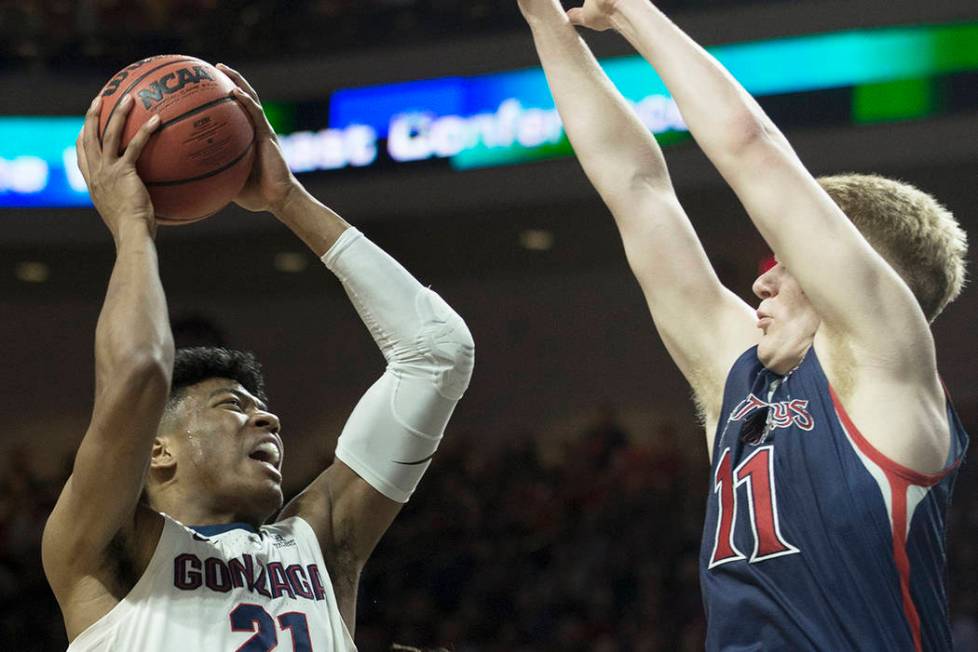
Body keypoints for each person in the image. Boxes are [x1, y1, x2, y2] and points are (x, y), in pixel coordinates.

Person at [517, 0, 968, 649]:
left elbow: (750, 147)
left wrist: (631, 11)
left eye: (787, 262)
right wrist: (545, 24)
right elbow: (635, 186)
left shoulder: (886, 361)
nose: (763, 280)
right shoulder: (739, 373)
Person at [42, 65, 474, 651]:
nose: (268, 419)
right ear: (158, 450)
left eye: (259, 408)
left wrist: (286, 199)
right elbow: (141, 369)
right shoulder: (109, 550)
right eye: (231, 406)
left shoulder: (319, 543)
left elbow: (438, 353)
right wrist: (133, 226)